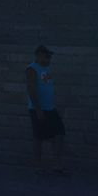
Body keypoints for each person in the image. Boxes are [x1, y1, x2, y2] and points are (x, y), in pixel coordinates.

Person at [26, 44, 68, 174]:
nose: (49, 58)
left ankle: (57, 164)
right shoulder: (32, 69)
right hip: (38, 108)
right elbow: (31, 90)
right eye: (46, 56)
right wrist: (38, 109)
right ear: (39, 55)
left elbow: (48, 87)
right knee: (38, 137)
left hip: (50, 108)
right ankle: (37, 165)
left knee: (59, 132)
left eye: (50, 56)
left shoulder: (48, 67)